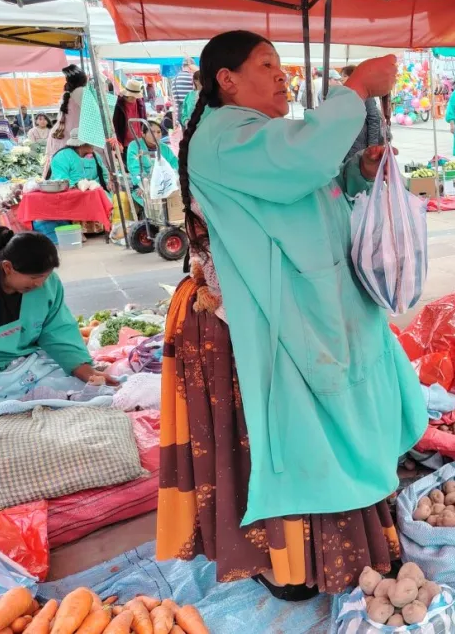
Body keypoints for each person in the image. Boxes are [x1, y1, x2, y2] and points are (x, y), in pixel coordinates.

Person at [156, 31, 425, 594]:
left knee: (337, 428)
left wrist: (354, 175)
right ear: (226, 80)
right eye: (266, 64)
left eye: (281, 64)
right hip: (267, 320)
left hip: (317, 303)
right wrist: (354, 89)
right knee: (297, 444)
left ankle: (354, 553)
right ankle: (295, 569)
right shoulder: (222, 140)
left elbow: (305, 183)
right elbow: (298, 162)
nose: (282, 75)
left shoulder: (258, 135)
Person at [0, 227, 115, 390]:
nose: (39, 284)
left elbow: (57, 329)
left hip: (25, 361)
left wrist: (85, 371)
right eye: (34, 278)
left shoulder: (48, 284)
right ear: (7, 267)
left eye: (45, 277)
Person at [127, 122, 179, 207]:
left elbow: (174, 166)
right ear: (143, 134)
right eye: (152, 132)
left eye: (158, 132)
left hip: (165, 185)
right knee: (153, 206)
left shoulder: (165, 148)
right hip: (143, 187)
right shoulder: (134, 146)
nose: (156, 135)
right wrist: (143, 185)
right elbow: (134, 169)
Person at [340, 64, 385, 162]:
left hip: (360, 142)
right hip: (348, 141)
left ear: (353, 77)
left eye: (344, 76)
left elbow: (374, 119)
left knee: (356, 166)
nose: (341, 79)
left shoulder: (365, 95)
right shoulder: (346, 94)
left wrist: (372, 145)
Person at [112, 79, 149, 155]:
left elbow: (144, 119)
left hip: (140, 141)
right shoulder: (118, 105)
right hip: (125, 143)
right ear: (127, 94)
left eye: (136, 96)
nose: (134, 98)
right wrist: (118, 142)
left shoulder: (140, 102)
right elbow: (116, 125)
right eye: (132, 96)